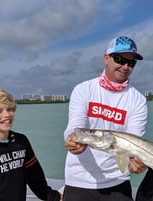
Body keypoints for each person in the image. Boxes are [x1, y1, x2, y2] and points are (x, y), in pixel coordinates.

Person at [63, 36, 148, 201]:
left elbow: (135, 141)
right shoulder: (84, 89)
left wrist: (136, 161)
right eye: (120, 59)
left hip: (118, 181)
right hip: (79, 179)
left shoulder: (138, 99)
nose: (125, 67)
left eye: (131, 63)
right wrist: (71, 138)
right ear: (106, 58)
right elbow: (75, 126)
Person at [0, 87, 61, 201]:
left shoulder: (20, 141)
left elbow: (35, 176)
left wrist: (53, 197)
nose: (7, 114)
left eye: (10, 109)